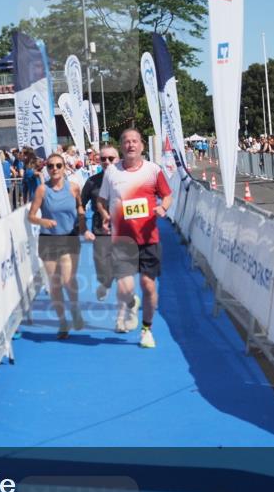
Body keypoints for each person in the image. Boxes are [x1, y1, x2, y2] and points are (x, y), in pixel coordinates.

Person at [96, 128, 172, 349]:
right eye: (126, 142)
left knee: (148, 286)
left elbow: (167, 195)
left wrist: (163, 207)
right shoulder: (112, 172)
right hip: (122, 239)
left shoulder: (152, 170)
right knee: (125, 288)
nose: (131, 145)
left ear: (141, 145)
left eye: (134, 141)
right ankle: (130, 303)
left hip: (149, 238)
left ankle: (146, 330)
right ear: (121, 146)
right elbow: (101, 200)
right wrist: (105, 215)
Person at [28, 153, 90, 339]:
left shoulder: (73, 188)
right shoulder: (42, 190)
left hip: (69, 237)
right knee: (55, 284)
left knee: (68, 280)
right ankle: (63, 322)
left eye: (58, 165)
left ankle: (75, 308)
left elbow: (80, 207)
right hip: (48, 239)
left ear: (64, 168)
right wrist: (42, 221)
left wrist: (82, 223)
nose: (54, 169)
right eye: (50, 166)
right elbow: (30, 215)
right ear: (46, 169)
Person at [80, 143, 119, 301]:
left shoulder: (129, 180)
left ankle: (125, 312)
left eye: (111, 158)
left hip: (124, 229)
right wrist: (83, 228)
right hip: (100, 229)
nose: (107, 161)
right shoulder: (92, 182)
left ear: (118, 159)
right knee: (102, 264)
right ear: (99, 161)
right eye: (104, 159)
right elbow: (80, 205)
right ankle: (105, 283)